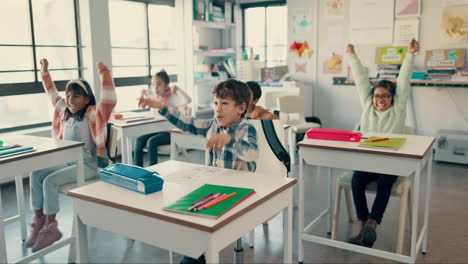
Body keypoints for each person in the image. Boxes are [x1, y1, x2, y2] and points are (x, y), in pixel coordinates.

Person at [139, 79, 258, 264]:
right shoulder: (212, 126)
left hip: (234, 194)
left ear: (241, 108)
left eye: (224, 104)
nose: (218, 109)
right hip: (211, 191)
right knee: (181, 214)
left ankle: (195, 254)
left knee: (198, 234)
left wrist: (230, 140)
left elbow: (252, 153)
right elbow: (186, 122)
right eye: (216, 103)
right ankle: (195, 253)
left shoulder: (247, 128)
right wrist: (161, 107)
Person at [24, 59, 117, 252]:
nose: (70, 99)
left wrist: (106, 75)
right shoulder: (64, 112)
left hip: (88, 166)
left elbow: (108, 103)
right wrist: (44, 72)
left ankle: (52, 228)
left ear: (86, 98)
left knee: (49, 181)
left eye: (76, 96)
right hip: (68, 164)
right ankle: (38, 221)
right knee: (36, 174)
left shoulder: (92, 113)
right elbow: (51, 93)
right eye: (68, 96)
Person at [346, 39, 420, 248]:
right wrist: (352, 54)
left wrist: (410, 54)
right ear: (372, 97)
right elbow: (361, 80)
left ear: (392, 98)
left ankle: (373, 222)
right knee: (356, 180)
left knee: (385, 183)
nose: (380, 99)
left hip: (391, 162)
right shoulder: (368, 106)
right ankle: (363, 225)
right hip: (369, 161)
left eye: (386, 96)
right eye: (377, 96)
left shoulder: (398, 110)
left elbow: (403, 82)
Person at [133, 70, 191, 167]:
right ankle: (137, 170)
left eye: (159, 84)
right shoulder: (153, 95)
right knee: (139, 140)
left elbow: (188, 100)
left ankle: (152, 172)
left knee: (151, 142)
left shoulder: (172, 96)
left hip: (170, 132)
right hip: (155, 130)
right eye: (153, 84)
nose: (155, 87)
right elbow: (143, 91)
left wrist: (178, 89)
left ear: (167, 85)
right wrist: (141, 93)